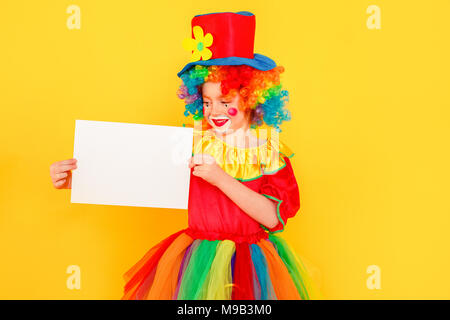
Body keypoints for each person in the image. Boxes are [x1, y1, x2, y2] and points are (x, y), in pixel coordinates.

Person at [50, 11, 320, 300]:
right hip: (197, 263)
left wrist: (220, 178)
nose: (214, 111)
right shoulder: (191, 145)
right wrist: (78, 180)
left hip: (251, 265)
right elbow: (138, 178)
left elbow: (271, 217)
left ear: (252, 99)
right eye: (206, 102)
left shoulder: (269, 151)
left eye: (224, 101)